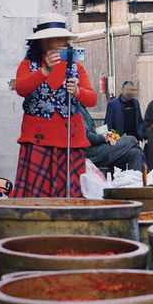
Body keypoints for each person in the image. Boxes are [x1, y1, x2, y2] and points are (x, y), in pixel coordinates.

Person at [13, 13, 97, 197]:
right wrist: (44, 71)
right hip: (38, 140)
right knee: (37, 194)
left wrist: (77, 91)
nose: (61, 43)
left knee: (70, 194)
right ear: (42, 42)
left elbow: (92, 99)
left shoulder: (75, 67)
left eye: (62, 39)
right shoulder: (28, 65)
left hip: (70, 139)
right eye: (55, 39)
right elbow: (21, 88)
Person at [79, 104, 146, 172]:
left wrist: (104, 135)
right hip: (94, 153)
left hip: (98, 149)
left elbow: (90, 133)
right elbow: (86, 136)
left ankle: (135, 180)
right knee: (132, 140)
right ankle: (145, 170)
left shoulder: (82, 109)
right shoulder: (78, 110)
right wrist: (103, 138)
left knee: (136, 153)